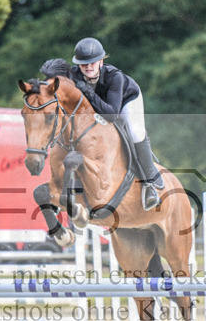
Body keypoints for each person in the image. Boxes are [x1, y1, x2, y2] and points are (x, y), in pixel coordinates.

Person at [67, 37, 164, 211]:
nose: (88, 67)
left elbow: (111, 115)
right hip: (99, 106)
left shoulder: (115, 77)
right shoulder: (73, 76)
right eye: (83, 65)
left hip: (125, 100)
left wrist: (88, 92)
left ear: (101, 62)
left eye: (92, 63)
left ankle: (150, 184)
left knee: (134, 132)